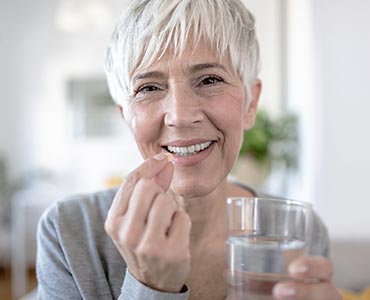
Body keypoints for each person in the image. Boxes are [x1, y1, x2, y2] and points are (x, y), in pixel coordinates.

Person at [36, 0, 342, 299]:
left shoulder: (297, 231)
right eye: (149, 88)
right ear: (126, 116)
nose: (180, 115)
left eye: (210, 80)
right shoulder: (68, 232)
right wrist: (150, 286)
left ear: (251, 104)